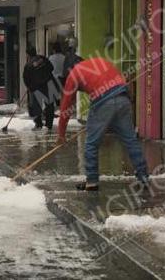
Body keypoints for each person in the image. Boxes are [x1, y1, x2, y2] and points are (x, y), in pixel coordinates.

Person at [56, 56, 149, 191]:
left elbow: (66, 107)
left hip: (104, 101)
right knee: (130, 140)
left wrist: (61, 135)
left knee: (91, 143)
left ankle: (92, 181)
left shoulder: (74, 73)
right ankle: (143, 177)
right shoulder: (100, 61)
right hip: (123, 99)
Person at [22, 45, 60, 130]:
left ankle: (38, 124)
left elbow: (25, 78)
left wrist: (30, 87)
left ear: (28, 54)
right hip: (49, 84)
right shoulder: (43, 58)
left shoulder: (28, 65)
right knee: (50, 105)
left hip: (37, 87)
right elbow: (51, 67)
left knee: (36, 106)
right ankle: (49, 124)